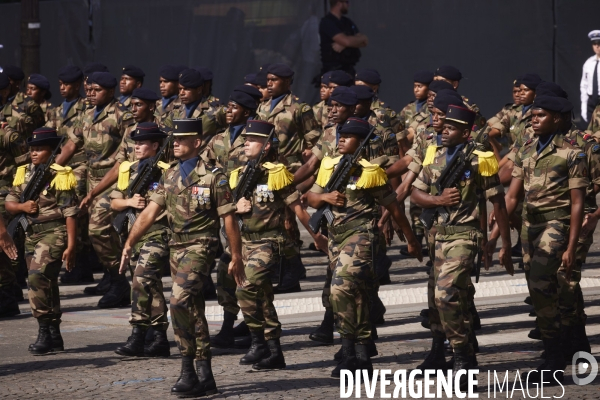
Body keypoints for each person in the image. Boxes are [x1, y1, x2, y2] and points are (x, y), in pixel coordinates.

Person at [120, 118, 244, 397]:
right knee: (193, 309)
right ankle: (205, 374)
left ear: (196, 143)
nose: (174, 143)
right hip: (177, 248)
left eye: (181, 139)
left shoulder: (214, 176)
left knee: (178, 301)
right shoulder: (170, 175)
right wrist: (130, 241)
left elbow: (229, 219)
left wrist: (235, 255)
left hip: (201, 246)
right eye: (173, 139)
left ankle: (187, 370)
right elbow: (150, 211)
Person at [307, 117, 421, 378]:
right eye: (341, 135)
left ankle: (351, 352)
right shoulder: (329, 166)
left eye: (349, 136)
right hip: (337, 238)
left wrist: (411, 239)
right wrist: (325, 196)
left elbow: (394, 207)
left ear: (361, 142)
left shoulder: (370, 173)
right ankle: (357, 355)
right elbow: (311, 198)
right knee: (355, 296)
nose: (342, 139)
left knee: (340, 289)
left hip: (361, 236)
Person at [487, 96, 588, 384]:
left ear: (557, 118)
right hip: (531, 226)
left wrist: (571, 247)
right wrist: (500, 241)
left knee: (544, 286)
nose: (533, 119)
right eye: (533, 115)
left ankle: (554, 358)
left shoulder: (573, 153)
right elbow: (513, 195)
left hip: (556, 224)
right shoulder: (527, 148)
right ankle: (565, 346)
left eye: (541, 115)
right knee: (540, 288)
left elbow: (577, 203)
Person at [411, 105, 513, 391]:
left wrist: (501, 244)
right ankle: (462, 351)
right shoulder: (434, 158)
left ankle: (460, 358)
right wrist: (438, 201)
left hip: (466, 236)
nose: (443, 130)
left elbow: (498, 203)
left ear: (467, 133)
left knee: (446, 295)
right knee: (450, 299)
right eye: (443, 126)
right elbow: (416, 194)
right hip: (438, 238)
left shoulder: (480, 162)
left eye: (451, 127)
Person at [232, 120, 327, 370]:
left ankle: (259, 343)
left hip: (269, 242)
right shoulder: (238, 175)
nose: (246, 143)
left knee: (247, 287)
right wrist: (235, 208)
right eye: (245, 138)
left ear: (266, 146)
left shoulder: (277, 174)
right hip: (244, 243)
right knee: (260, 296)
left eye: (252, 139)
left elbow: (297, 208)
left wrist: (316, 236)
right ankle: (271, 349)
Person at [55, 71, 135, 308]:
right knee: (86, 226)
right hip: (91, 178)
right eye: (88, 90)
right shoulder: (87, 114)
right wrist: (52, 168)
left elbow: (123, 160)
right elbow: (72, 143)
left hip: (115, 181)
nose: (90, 94)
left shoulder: (123, 115)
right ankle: (112, 278)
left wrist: (93, 193)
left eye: (96, 90)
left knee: (98, 229)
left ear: (110, 91)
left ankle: (120, 283)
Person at [6, 127, 77, 355]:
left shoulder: (61, 174)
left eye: (40, 149)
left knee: (36, 278)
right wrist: (22, 207)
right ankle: (54, 334)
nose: (34, 153)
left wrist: (72, 245)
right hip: (31, 234)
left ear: (51, 152)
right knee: (47, 283)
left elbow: (70, 213)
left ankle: (44, 332)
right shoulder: (23, 172)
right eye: (32, 149)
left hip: (54, 234)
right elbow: (9, 202)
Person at [256, 63, 321, 293]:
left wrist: (306, 162)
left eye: (274, 79)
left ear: (287, 81)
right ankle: (282, 266)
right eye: (268, 79)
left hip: (289, 170)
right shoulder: (262, 106)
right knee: (271, 220)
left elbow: (314, 140)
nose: (269, 83)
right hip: (265, 171)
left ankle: (291, 272)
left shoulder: (299, 108)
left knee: (287, 221)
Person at [205, 86, 261, 349]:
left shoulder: (257, 139)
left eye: (234, 108)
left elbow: (270, 174)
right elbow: (204, 169)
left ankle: (256, 329)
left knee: (249, 273)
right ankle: (229, 325)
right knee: (225, 271)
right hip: (225, 213)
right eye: (228, 107)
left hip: (251, 216)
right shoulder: (218, 140)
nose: (228, 111)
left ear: (247, 111)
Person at [112, 122, 171, 358]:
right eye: (135, 142)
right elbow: (114, 201)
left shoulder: (167, 170)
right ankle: (159, 338)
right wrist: (129, 203)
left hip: (158, 232)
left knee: (141, 278)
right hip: (134, 236)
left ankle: (137, 334)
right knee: (151, 284)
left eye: (142, 143)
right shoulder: (129, 169)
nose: (136, 147)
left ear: (155, 145)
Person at [47, 65, 97, 285]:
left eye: (66, 84)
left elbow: (77, 143)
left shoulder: (84, 108)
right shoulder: (56, 111)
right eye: (60, 84)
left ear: (77, 85)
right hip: (62, 166)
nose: (63, 88)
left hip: (80, 166)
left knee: (76, 211)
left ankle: (81, 264)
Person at [0, 72, 28, 318]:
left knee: (3, 246)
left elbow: (24, 163)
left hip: (3, 193)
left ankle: (8, 296)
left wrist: (15, 192)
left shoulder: (8, 132)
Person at [319, 0, 368, 75]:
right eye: (346, 2)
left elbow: (364, 42)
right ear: (339, 3)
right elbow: (346, 41)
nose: (348, 5)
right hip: (333, 72)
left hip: (348, 70)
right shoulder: (327, 22)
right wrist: (351, 41)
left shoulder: (347, 22)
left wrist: (345, 44)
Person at [0, 65, 45, 140]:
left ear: (17, 84)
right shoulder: (2, 100)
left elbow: (38, 129)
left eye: (8, 80)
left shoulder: (28, 104)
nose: (4, 81)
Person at [398, 71, 434, 153]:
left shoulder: (431, 108)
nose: (416, 90)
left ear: (428, 88)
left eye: (420, 86)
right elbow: (397, 126)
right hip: (406, 150)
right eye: (415, 86)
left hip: (423, 149)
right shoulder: (408, 108)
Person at [581, 30, 600, 125]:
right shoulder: (588, 63)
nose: (597, 46)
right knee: (590, 133)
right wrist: (584, 106)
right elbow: (584, 85)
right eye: (594, 43)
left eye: (599, 43)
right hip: (591, 101)